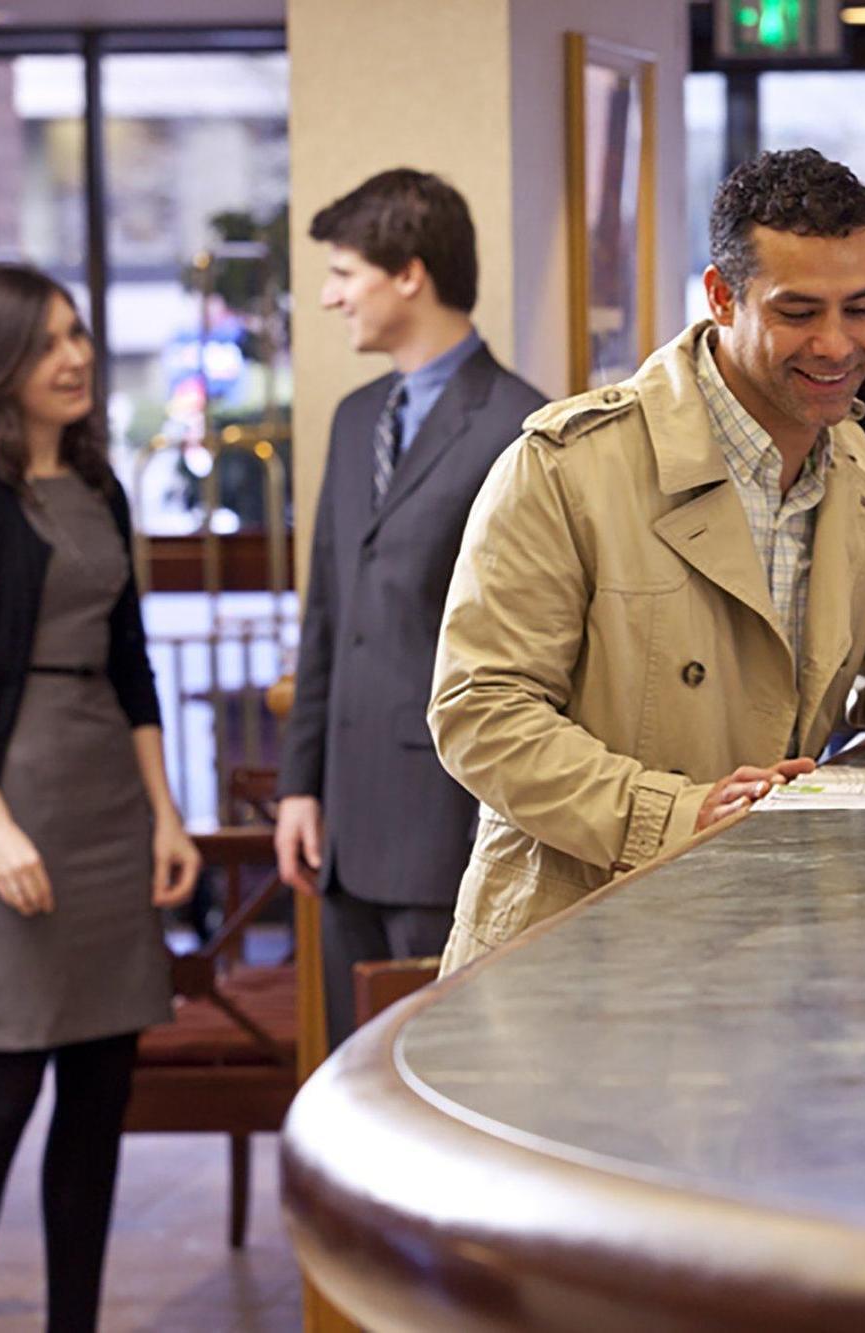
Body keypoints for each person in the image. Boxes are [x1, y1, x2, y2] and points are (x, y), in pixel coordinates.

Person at [430, 148, 865, 973]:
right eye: (799, 311)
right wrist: (674, 814)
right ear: (722, 297)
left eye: (861, 307)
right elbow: (480, 713)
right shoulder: (565, 465)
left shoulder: (853, 461)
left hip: (771, 944)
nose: (837, 344)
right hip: (578, 954)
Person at [0, 265, 200, 1330]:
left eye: (76, 334)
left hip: (108, 794)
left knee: (100, 1087)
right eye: (46, 343)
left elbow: (132, 661)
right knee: (5, 1079)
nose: (73, 358)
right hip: (12, 789)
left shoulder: (98, 480)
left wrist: (166, 812)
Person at [275, 169, 545, 1047]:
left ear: (409, 275)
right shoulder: (356, 419)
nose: (328, 296)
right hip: (343, 830)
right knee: (349, 1081)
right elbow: (328, 615)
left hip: (448, 827)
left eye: (344, 273)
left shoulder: (524, 424)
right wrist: (298, 786)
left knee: (444, 1079)